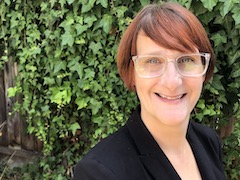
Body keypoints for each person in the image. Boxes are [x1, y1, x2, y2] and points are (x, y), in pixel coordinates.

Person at [74, 2, 226, 180]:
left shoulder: (208, 141)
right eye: (153, 61)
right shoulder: (100, 172)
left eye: (186, 59)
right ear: (132, 74)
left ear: (204, 69)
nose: (172, 82)